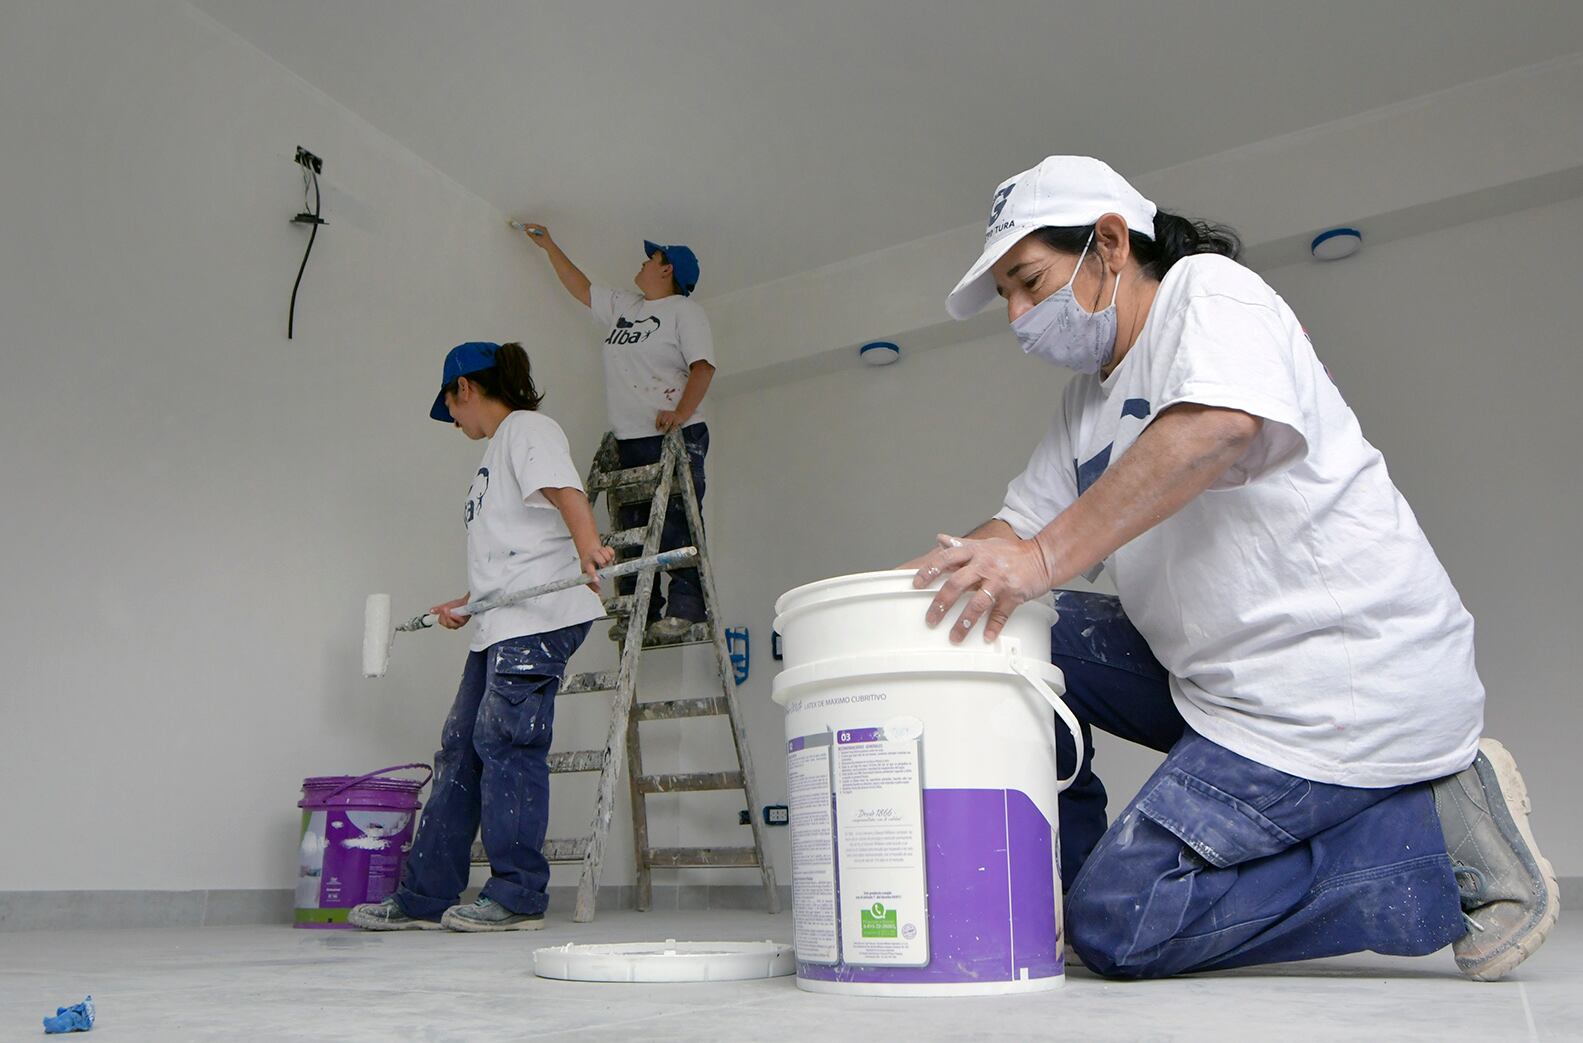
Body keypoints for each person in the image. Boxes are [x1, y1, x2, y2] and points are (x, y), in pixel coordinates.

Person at [905, 155, 1559, 980]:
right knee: (1010, 626)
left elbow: (1215, 427)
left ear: (1108, 244)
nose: (1017, 314)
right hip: (1223, 683)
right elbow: (1010, 531)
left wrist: (1037, 559)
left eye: (1028, 282)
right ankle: (1061, 892)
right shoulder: (1087, 401)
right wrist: (881, 605)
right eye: (1006, 295)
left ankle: (1441, 836)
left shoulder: (1206, 294)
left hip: (1335, 686)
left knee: (1124, 922)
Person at [350, 341, 614, 932]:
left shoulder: (526, 428)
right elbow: (515, 549)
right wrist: (467, 603)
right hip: (499, 620)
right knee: (460, 749)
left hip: (541, 616)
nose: (456, 424)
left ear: (463, 389)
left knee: (507, 743)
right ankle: (424, 896)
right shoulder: (496, 454)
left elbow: (566, 493)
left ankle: (518, 896)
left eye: (452, 408)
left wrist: (589, 547)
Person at [517, 223, 716, 645]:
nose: (643, 263)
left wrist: (680, 412)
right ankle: (639, 612)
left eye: (652, 258)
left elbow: (703, 367)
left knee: (676, 524)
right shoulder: (628, 307)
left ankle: (686, 608)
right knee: (633, 526)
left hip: (676, 437)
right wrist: (549, 245)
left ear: (668, 270)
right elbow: (583, 288)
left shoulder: (684, 312)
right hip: (631, 439)